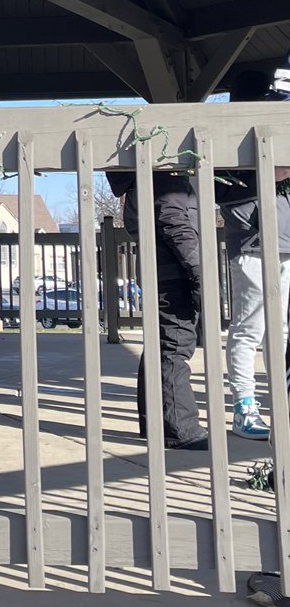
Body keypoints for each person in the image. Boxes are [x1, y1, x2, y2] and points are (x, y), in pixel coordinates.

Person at [106, 170, 208, 450]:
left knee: (160, 346)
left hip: (160, 270)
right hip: (174, 272)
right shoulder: (164, 176)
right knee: (175, 347)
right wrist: (200, 274)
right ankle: (181, 429)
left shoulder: (142, 179)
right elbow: (176, 224)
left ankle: (154, 422)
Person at [218, 67, 290, 441]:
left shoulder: (269, 124)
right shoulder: (227, 133)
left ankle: (278, 403)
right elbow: (224, 188)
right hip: (249, 241)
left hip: (281, 240)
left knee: (278, 330)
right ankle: (244, 406)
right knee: (249, 329)